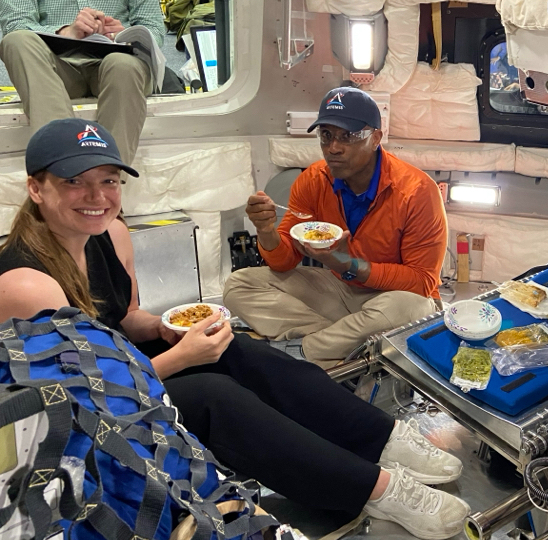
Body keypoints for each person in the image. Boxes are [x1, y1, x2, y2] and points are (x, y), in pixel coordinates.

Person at [0, 118, 471, 540]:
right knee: (214, 396)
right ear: (36, 189)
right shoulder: (28, 284)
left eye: (108, 180)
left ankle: (382, 439)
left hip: (116, 371)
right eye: (74, 182)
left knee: (240, 350)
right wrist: (180, 358)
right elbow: (80, 402)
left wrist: (167, 330)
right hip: (77, 422)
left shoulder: (108, 234)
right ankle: (376, 490)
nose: (97, 196)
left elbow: (124, 318)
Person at [223, 87, 446, 367]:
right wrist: (266, 231)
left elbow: (422, 282)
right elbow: (283, 262)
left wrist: (348, 264)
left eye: (348, 136)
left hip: (393, 298)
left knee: (412, 309)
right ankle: (344, 346)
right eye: (326, 135)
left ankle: (304, 350)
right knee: (238, 285)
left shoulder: (417, 191)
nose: (334, 148)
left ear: (376, 138)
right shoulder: (313, 180)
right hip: (340, 292)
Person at [0, 1, 164, 165]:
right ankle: (61, 164)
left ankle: (109, 174)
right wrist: (65, 32)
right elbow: (16, 24)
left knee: (123, 66)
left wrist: (124, 34)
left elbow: (154, 28)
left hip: (118, 62)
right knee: (16, 40)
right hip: (56, 66)